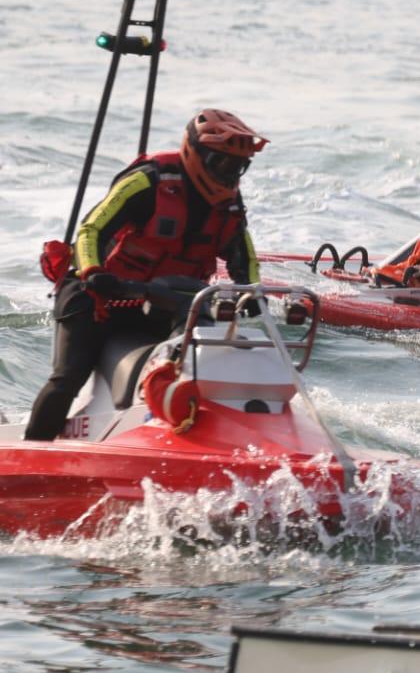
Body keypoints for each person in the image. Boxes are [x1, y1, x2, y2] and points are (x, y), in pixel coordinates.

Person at [24, 109, 268, 441]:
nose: (228, 175)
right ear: (196, 154)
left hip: (160, 303)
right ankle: (33, 450)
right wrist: (94, 272)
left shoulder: (230, 205)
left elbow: (245, 257)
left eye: (237, 167)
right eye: (222, 164)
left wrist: (252, 294)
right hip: (95, 297)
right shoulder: (149, 181)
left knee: (203, 354)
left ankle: (208, 429)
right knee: (67, 377)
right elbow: (90, 230)